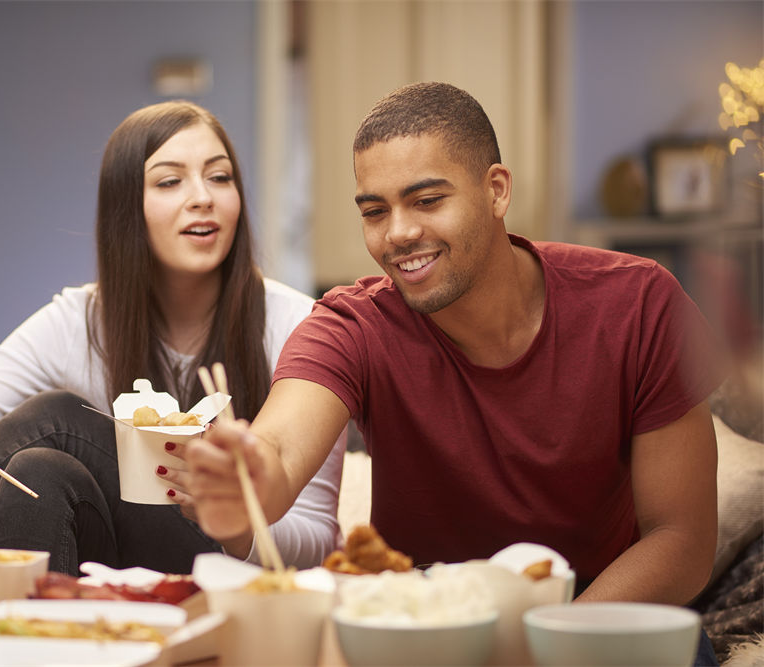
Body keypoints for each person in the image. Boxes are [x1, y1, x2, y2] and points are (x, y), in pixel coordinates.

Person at [188, 82, 724, 661]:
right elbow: (278, 452)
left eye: (426, 200)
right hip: (423, 632)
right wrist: (242, 483)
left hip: (598, 622)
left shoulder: (640, 303)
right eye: (375, 210)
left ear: (496, 190)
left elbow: (683, 539)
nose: (397, 233)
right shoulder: (350, 325)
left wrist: (537, 647)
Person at [0, 100, 345, 576]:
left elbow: (318, 540)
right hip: (121, 572)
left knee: (57, 420)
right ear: (127, 207)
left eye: (220, 177)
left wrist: (236, 522)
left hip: (239, 576)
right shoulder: (78, 321)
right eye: (170, 180)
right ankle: (31, 643)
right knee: (41, 469)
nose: (203, 197)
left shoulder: (299, 323)